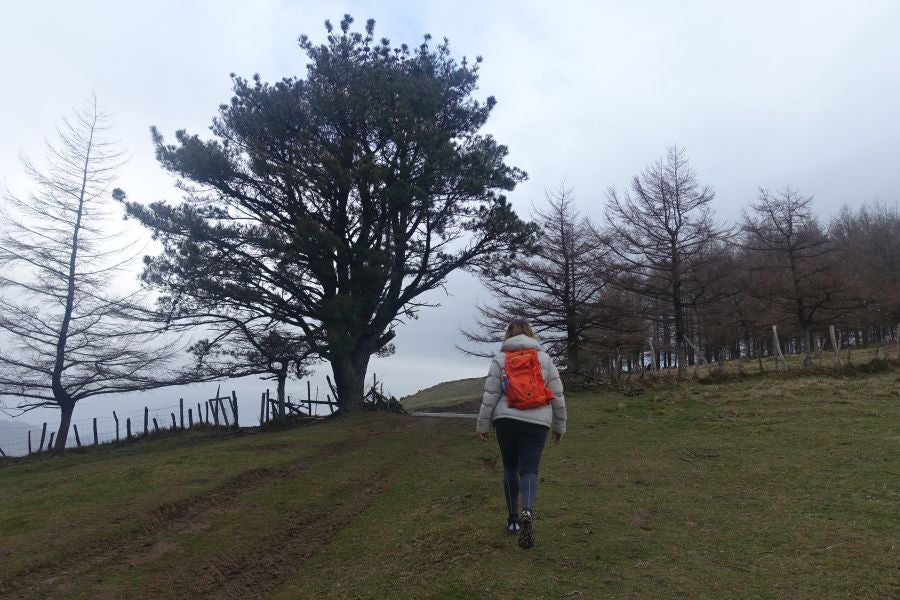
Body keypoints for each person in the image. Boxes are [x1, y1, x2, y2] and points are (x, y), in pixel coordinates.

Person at [476, 318, 567, 549]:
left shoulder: (501, 358)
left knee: (510, 468)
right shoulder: (544, 358)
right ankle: (528, 510)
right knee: (529, 471)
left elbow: (490, 395)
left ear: (508, 335)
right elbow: (557, 394)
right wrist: (559, 426)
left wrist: (483, 425)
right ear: (531, 334)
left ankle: (513, 521)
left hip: (506, 420)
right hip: (537, 423)